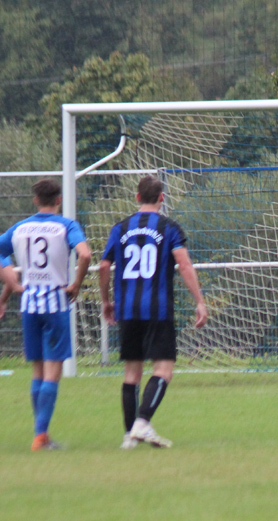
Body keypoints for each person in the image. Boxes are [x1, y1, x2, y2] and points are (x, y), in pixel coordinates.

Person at [99, 175, 208, 449]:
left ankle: (129, 437)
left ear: (137, 198)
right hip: (157, 309)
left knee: (131, 372)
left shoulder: (120, 228)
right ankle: (142, 422)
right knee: (164, 368)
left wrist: (106, 301)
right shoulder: (169, 227)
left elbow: (103, 267)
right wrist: (200, 301)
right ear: (162, 198)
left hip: (127, 308)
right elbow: (183, 264)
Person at [0, 179, 91, 450]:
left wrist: (12, 285)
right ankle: (41, 436)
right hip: (56, 303)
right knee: (53, 372)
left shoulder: (20, 228)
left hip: (29, 304)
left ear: (35, 200)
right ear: (59, 200)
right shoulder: (66, 226)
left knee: (38, 372)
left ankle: (42, 434)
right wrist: (76, 283)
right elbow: (85, 254)